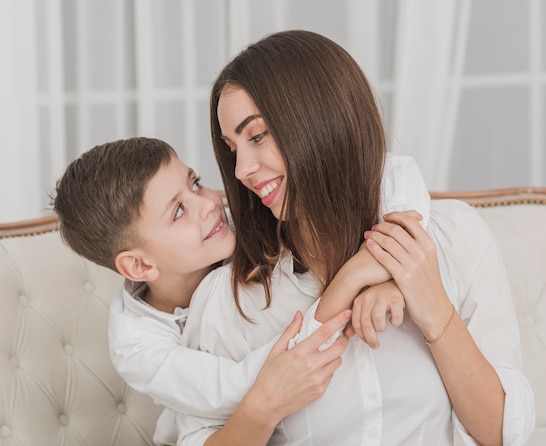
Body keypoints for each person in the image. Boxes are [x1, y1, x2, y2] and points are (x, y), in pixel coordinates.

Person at [175, 30, 535, 445]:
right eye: (232, 147)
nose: (240, 171)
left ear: (322, 121)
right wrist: (265, 403)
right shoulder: (233, 299)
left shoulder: (454, 237)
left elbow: (501, 435)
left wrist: (432, 303)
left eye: (256, 136)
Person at [51, 137, 429, 445]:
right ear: (140, 266)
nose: (210, 203)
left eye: (195, 183)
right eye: (179, 210)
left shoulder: (233, 229)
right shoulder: (137, 348)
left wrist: (393, 266)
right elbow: (256, 384)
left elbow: (392, 170)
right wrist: (352, 279)